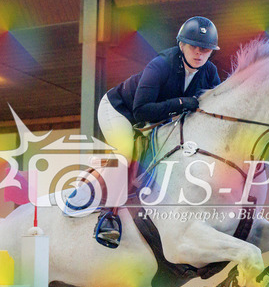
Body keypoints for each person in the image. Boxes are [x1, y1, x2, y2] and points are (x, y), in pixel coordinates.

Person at [90, 16, 222, 247]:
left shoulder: (210, 72)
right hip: (120, 111)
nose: (199, 53)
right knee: (126, 151)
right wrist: (181, 103)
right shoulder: (161, 65)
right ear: (181, 45)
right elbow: (141, 111)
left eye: (205, 49)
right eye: (194, 46)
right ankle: (108, 215)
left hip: (156, 119)